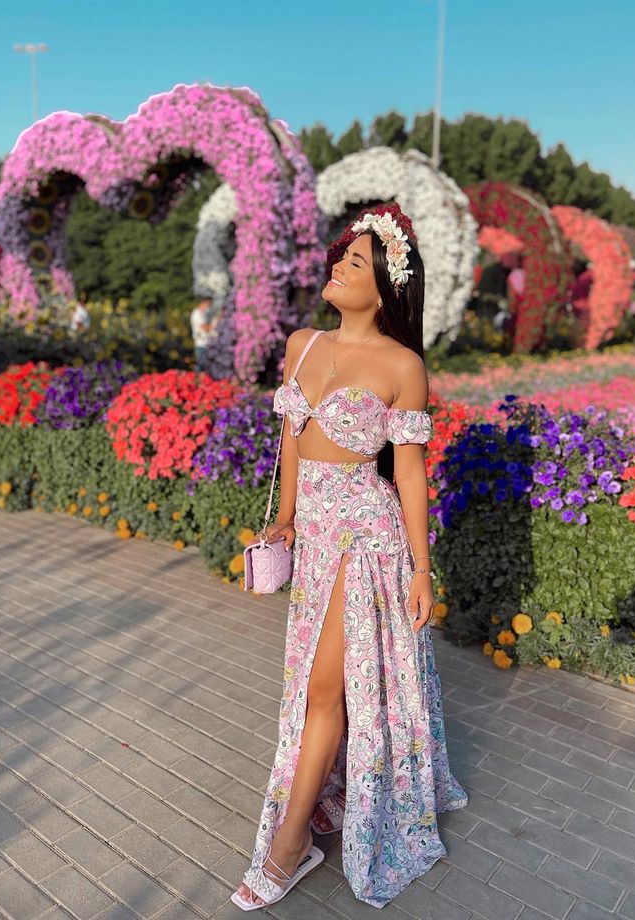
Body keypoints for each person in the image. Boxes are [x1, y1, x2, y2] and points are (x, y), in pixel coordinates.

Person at [232, 204, 469, 912]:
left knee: (321, 691)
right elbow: (291, 442)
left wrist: (423, 570)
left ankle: (289, 845)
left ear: (387, 285)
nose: (336, 267)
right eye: (339, 257)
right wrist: (283, 521)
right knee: (313, 683)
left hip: (367, 540)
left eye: (355, 262)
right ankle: (325, 794)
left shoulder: (402, 366)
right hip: (314, 539)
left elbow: (409, 473)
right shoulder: (302, 344)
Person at [190, 297, 214, 369]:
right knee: (200, 366)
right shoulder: (197, 314)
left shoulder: (205, 314)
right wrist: (216, 324)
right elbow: (205, 328)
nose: (210, 306)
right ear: (204, 303)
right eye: (209, 304)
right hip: (201, 344)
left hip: (207, 343)